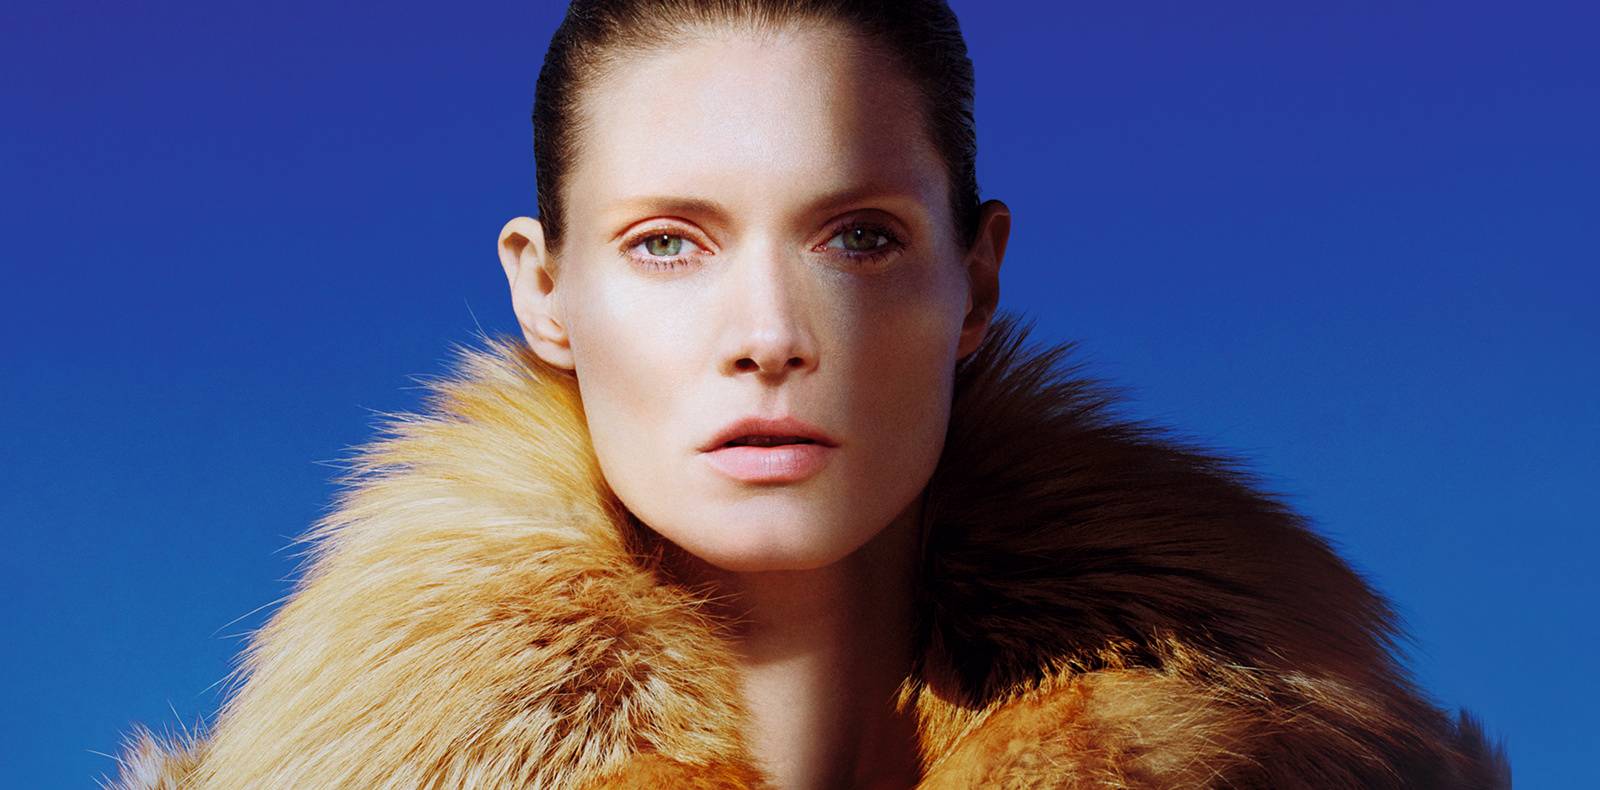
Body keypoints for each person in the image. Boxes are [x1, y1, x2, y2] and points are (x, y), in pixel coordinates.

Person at [108, 1, 1511, 787]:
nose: (770, 336)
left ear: (977, 280)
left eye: (859, 238)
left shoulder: (1302, 762)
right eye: (669, 243)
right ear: (544, 292)